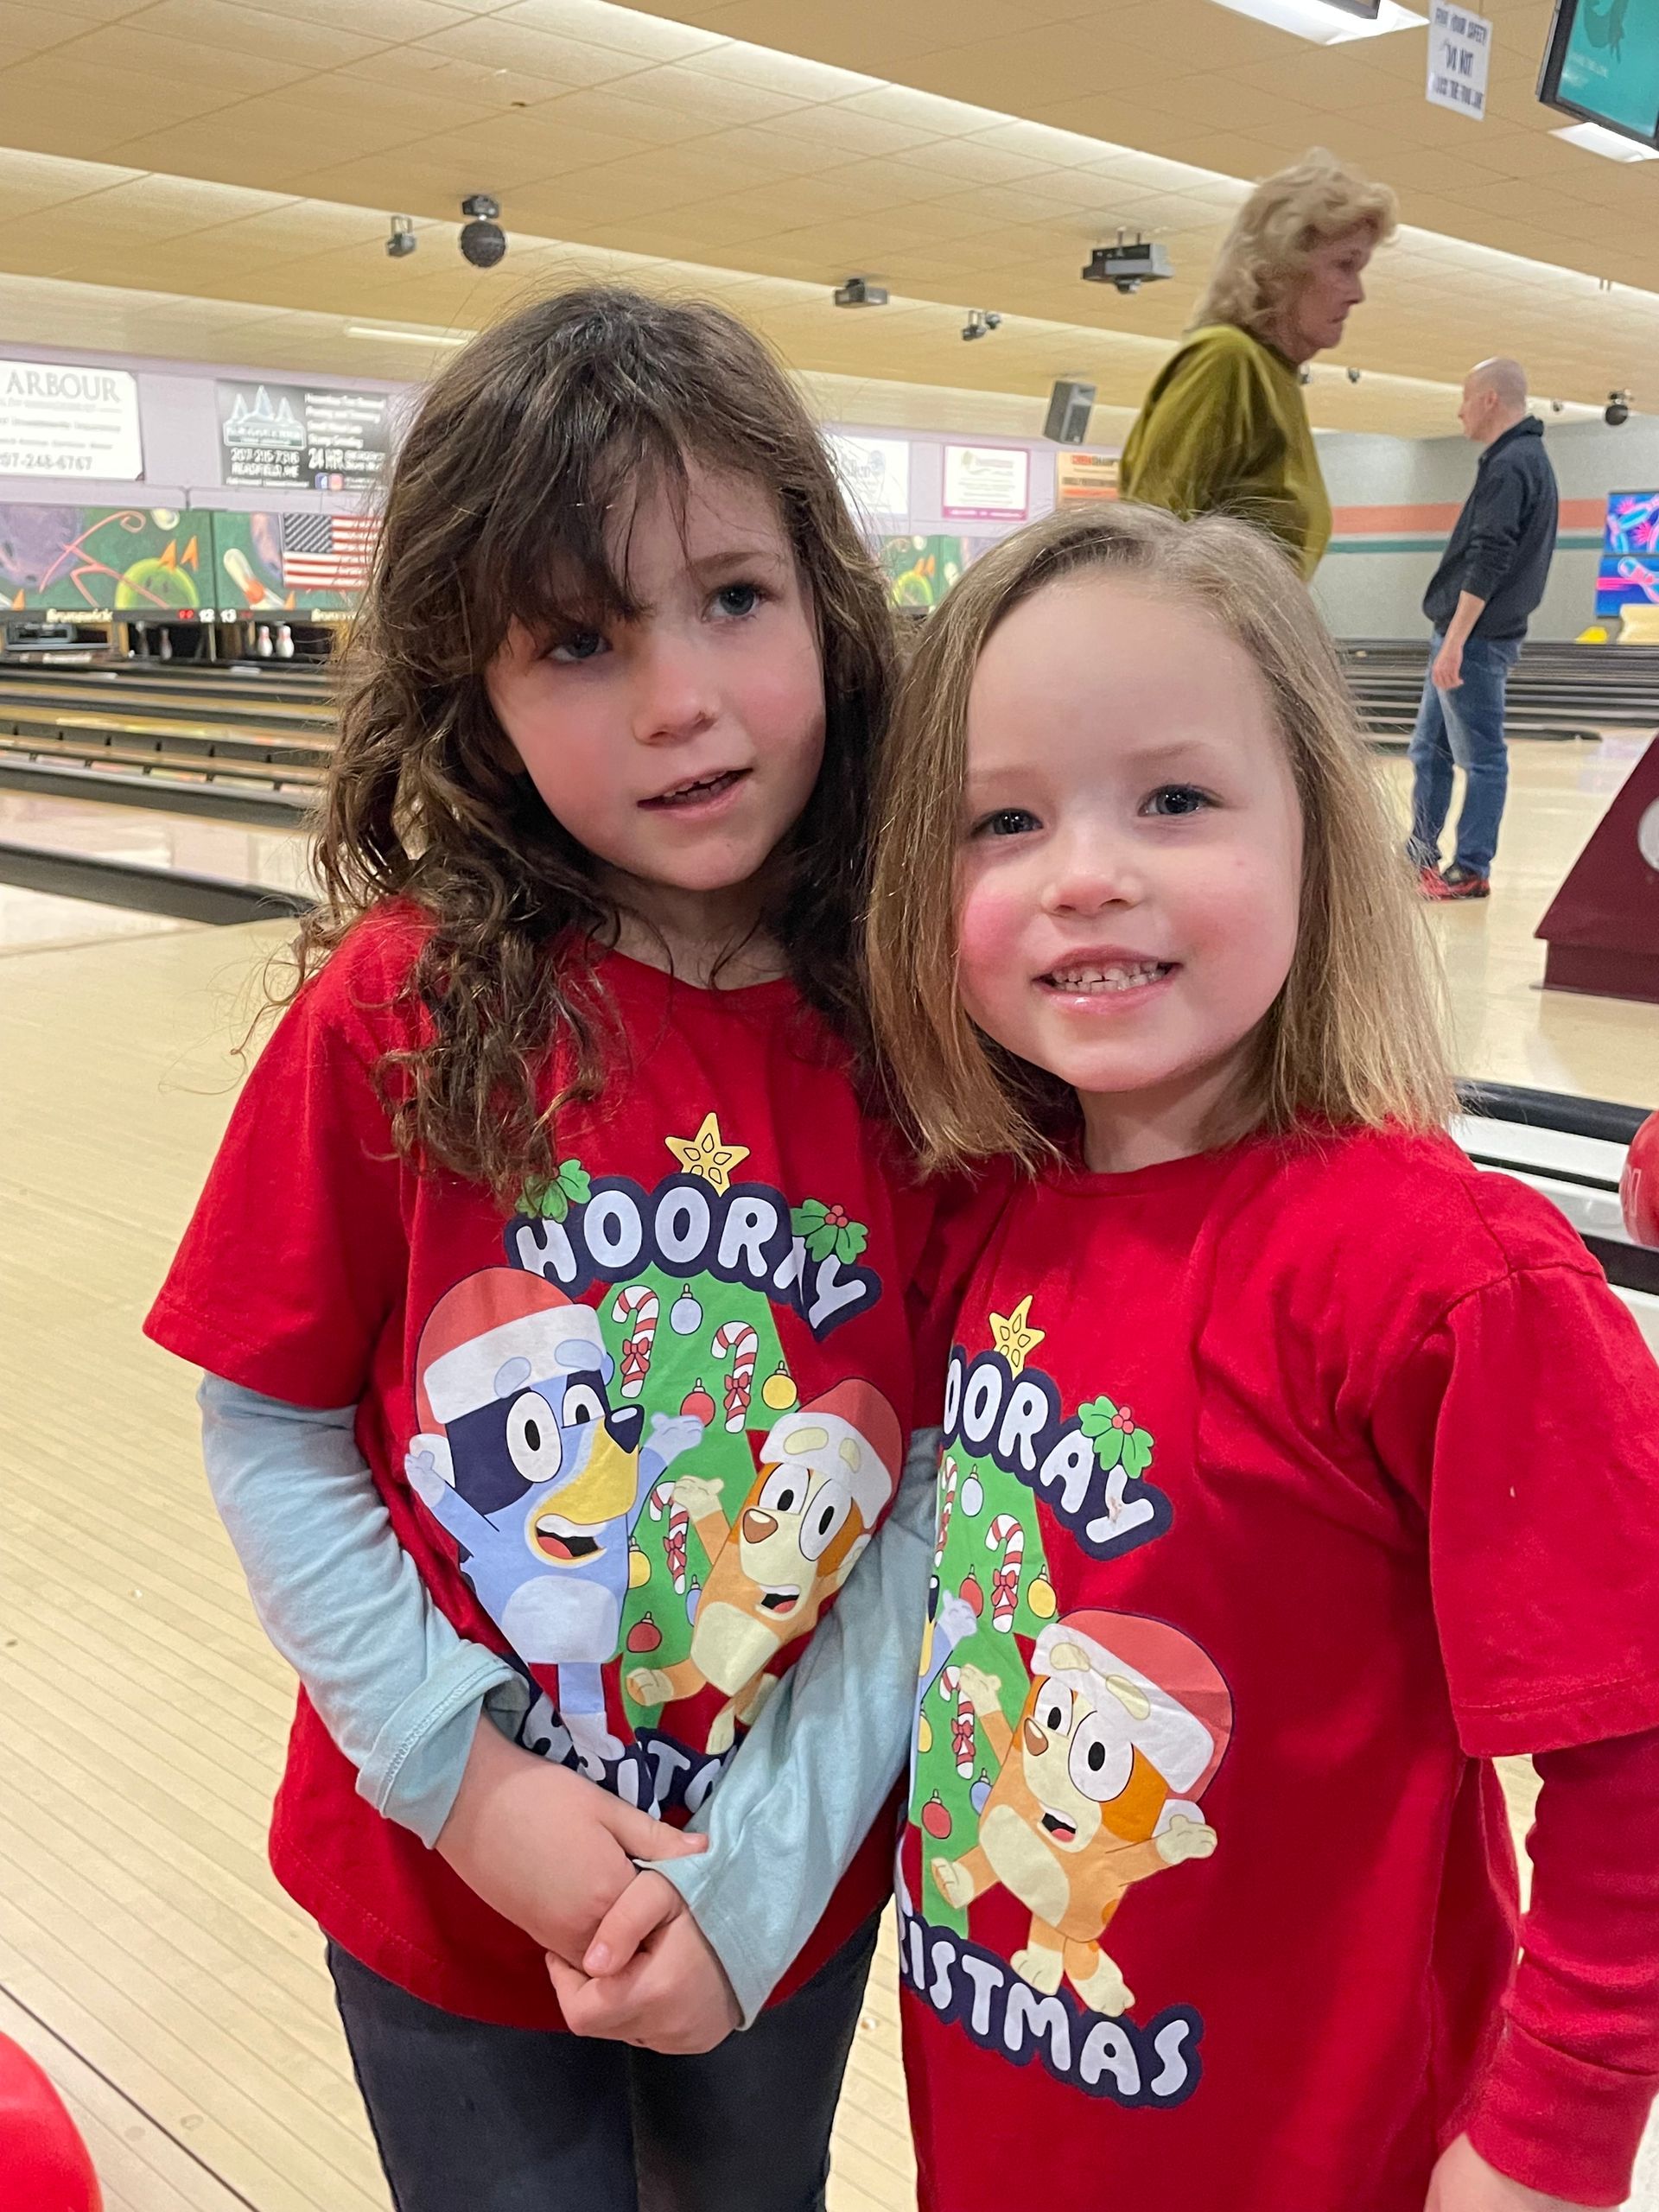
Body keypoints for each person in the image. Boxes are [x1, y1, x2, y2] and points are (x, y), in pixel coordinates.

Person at [563, 502, 1659, 2212]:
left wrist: (1549, 2139)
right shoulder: (995, 1217)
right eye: (1003, 818)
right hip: (1011, 2120)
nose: (1084, 869)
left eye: (1175, 798)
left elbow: (1634, 1741)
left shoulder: (1446, 1278)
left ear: (1317, 821)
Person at [143, 286, 957, 2212]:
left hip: (779, 1875)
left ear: (829, 605)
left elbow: (928, 1473)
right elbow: (266, 1427)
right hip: (443, 1882)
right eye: (578, 641)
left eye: (734, 598)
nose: (678, 695)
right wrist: (469, 1784)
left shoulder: (920, 1023)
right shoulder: (398, 1014)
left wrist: (761, 1862)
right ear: (475, 695)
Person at [1118, 148, 1395, 578]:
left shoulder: (1276, 374)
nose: (1358, 293)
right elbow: (1150, 547)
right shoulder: (1226, 360)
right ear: (1283, 268)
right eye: (1344, 265)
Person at [1409, 358, 1560, 901]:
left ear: (1491, 399)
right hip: (1464, 636)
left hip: (1473, 640)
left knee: (1482, 758)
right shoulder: (1520, 459)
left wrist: (1455, 641)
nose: (1460, 408)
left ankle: (1470, 867)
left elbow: (1490, 557)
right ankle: (1419, 855)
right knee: (1429, 751)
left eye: (1466, 395)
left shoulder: (1512, 463)